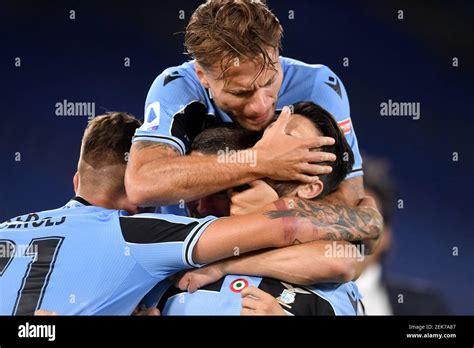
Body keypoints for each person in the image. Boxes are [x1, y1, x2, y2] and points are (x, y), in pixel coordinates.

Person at [0, 112, 357, 316]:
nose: (197, 209)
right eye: (190, 195)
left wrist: (223, 265)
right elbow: (300, 229)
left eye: (216, 193)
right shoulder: (150, 246)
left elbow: (339, 261)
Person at [125, 0, 382, 240]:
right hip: (184, 259)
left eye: (270, 81)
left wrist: (277, 212)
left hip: (276, 258)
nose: (261, 105)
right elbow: (142, 184)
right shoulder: (177, 87)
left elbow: (350, 198)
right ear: (202, 75)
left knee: (344, 261)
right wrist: (260, 161)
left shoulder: (319, 87)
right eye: (240, 92)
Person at [153, 102, 379, 315]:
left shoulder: (332, 290)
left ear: (310, 188)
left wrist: (222, 265)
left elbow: (342, 261)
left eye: (288, 136)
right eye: (270, 130)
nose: (271, 141)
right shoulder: (179, 243)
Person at [355, 156, 450, 315]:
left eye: (365, 219)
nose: (352, 231)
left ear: (386, 236)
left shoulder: (427, 308)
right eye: (342, 218)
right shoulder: (300, 301)